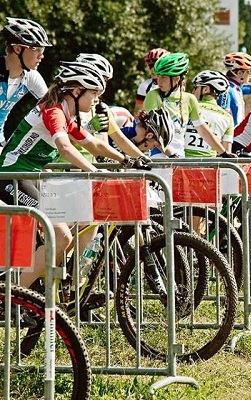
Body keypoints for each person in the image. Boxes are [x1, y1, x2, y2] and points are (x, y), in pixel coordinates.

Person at [0, 61, 146, 289]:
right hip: (11, 176)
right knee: (61, 237)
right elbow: (65, 149)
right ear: (77, 92)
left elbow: (94, 144)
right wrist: (95, 173)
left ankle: (37, 288)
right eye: (94, 94)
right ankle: (12, 297)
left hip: (29, 176)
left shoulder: (64, 113)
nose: (97, 99)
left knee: (71, 225)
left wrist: (129, 160)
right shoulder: (53, 112)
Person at [143, 52, 233, 158]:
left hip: (179, 156)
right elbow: (153, 132)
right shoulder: (153, 95)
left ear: (176, 79)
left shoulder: (189, 99)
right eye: (158, 77)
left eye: (164, 77)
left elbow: (203, 130)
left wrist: (224, 153)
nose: (159, 81)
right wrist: (171, 154)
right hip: (159, 155)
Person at [0, 17, 53, 145]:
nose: (42, 56)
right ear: (18, 49)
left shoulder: (31, 77)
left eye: (43, 50)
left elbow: (53, 107)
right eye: (37, 49)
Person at [185, 70, 234, 157]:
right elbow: (227, 153)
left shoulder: (187, 107)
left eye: (195, 87)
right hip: (209, 167)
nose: (193, 91)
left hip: (179, 164)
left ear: (205, 89)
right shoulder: (227, 117)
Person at [217, 52, 251, 126]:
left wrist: (246, 76)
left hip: (238, 134)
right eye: (249, 72)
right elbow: (222, 117)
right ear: (239, 73)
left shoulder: (239, 88)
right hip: (231, 135)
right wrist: (244, 75)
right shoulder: (228, 89)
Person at [134, 48, 170, 114]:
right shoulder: (144, 86)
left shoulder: (176, 83)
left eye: (156, 65)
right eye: (150, 66)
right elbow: (137, 112)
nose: (152, 69)